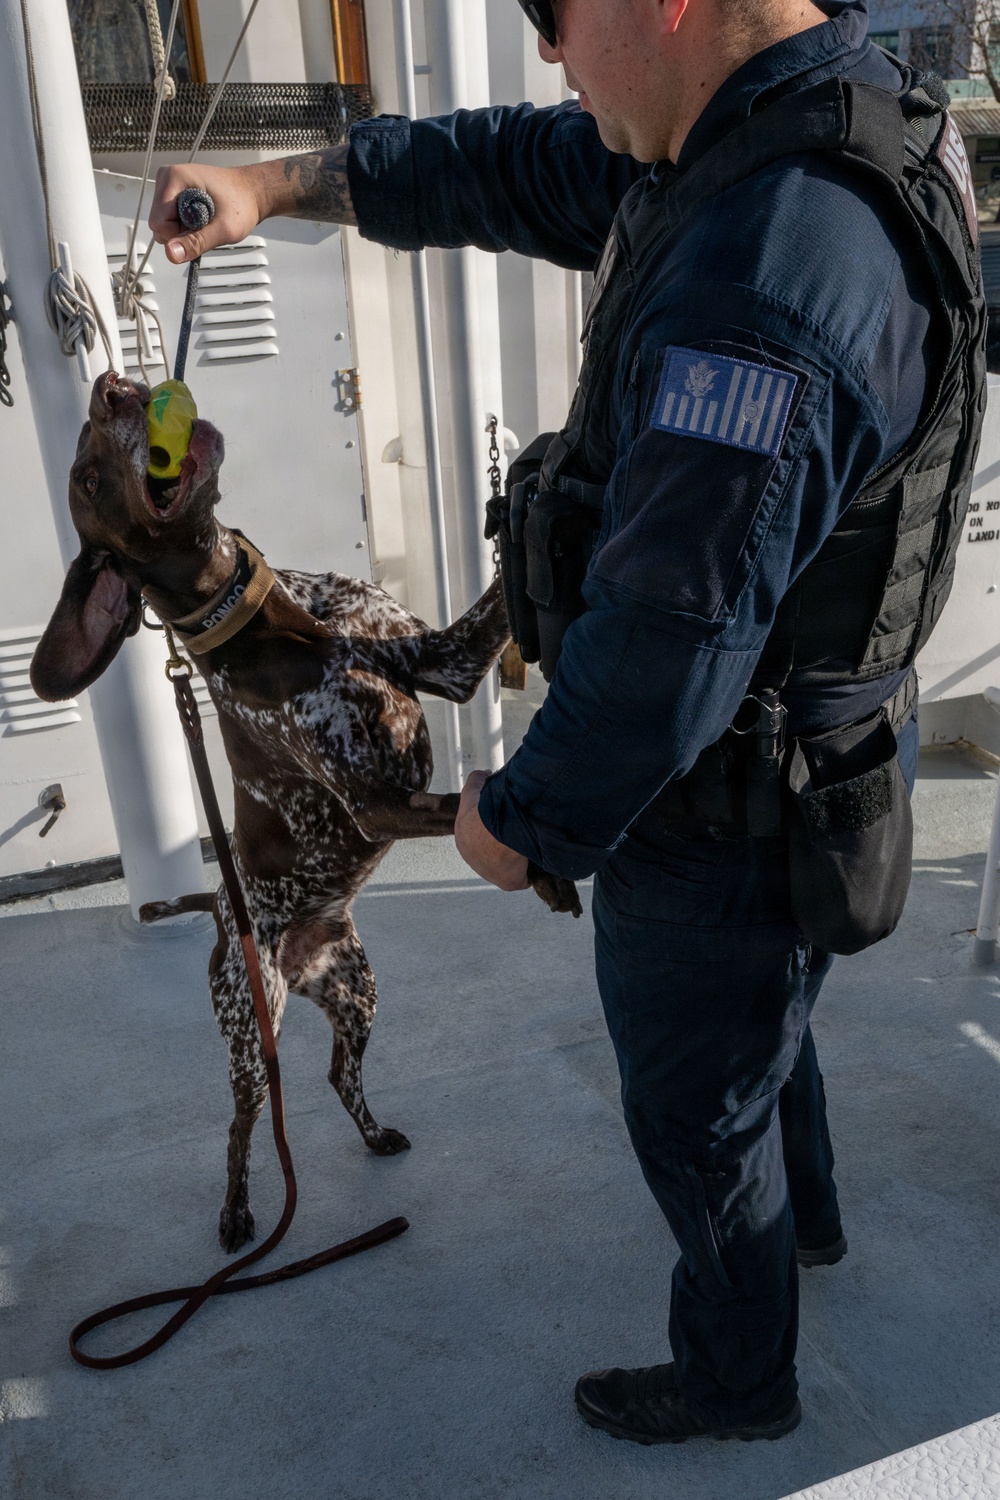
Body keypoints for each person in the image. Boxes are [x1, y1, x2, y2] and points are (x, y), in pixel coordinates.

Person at [150, 0, 984, 1445]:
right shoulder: (794, 120)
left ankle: (738, 1377)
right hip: (804, 779)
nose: (544, 50)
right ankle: (815, 1230)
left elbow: (674, 635)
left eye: (552, 14)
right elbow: (518, 167)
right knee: (766, 1030)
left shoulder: (774, 272)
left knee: (696, 1107)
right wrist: (274, 184)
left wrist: (519, 817)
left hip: (721, 794)